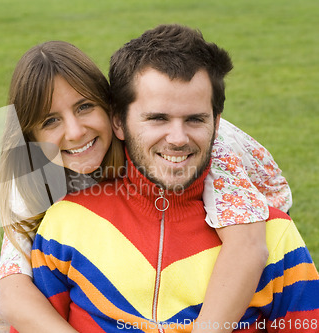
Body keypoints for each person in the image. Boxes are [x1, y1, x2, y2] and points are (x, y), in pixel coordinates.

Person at [30, 25, 319, 332]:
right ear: (118, 121)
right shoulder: (66, 222)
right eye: (158, 118)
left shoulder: (275, 236)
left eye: (195, 119)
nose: (178, 138)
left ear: (217, 123)